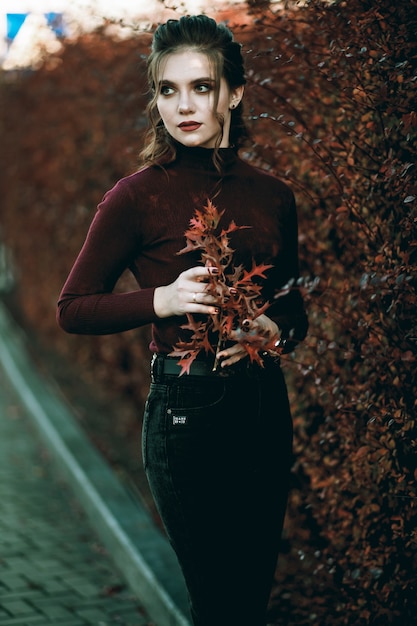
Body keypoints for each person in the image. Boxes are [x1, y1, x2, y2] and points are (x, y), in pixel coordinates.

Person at [57, 14, 308, 626]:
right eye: (168, 90)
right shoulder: (136, 195)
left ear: (234, 93)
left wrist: (277, 332)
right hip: (185, 416)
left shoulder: (275, 195)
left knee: (248, 602)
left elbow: (294, 306)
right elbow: (73, 309)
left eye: (201, 87)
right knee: (220, 604)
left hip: (263, 409)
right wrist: (161, 301)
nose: (183, 105)